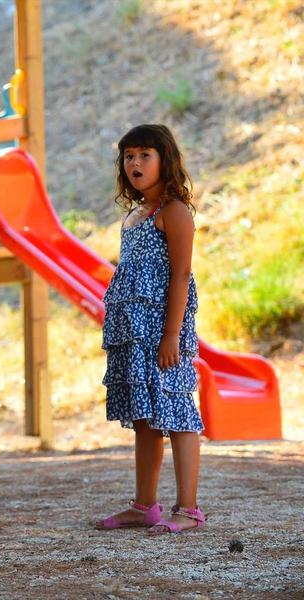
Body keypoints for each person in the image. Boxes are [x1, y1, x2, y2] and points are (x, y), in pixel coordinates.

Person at [95, 124, 205, 535]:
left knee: (176, 414)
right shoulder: (134, 216)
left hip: (163, 333)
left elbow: (180, 277)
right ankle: (144, 506)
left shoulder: (174, 212)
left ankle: (189, 509)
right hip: (134, 336)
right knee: (145, 418)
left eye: (145, 155)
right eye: (128, 156)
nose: (135, 163)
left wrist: (171, 335)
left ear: (165, 160)